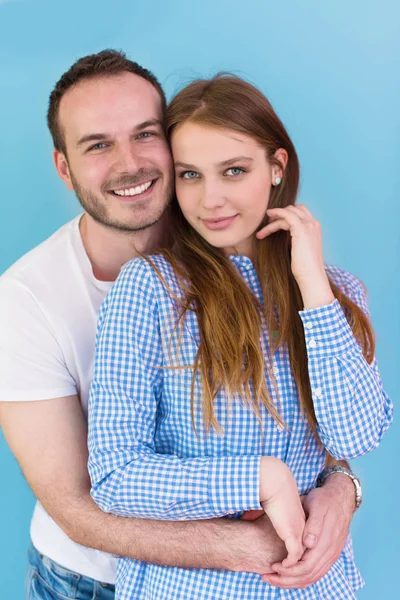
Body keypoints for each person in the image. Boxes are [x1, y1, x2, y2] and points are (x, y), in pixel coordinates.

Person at [0, 50, 368, 600]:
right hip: (86, 575)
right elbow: (86, 503)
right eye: (97, 144)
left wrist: (342, 489)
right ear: (64, 166)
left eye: (146, 134)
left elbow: (331, 433)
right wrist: (258, 524)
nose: (129, 163)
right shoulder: (26, 301)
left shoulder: (229, 233)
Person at [87, 73, 393, 600]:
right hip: (188, 588)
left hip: (315, 587)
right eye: (189, 174)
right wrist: (260, 477)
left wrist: (314, 287)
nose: (211, 199)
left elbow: (355, 438)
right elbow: (115, 475)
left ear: (277, 167)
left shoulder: (337, 291)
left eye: (234, 170)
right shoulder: (150, 290)